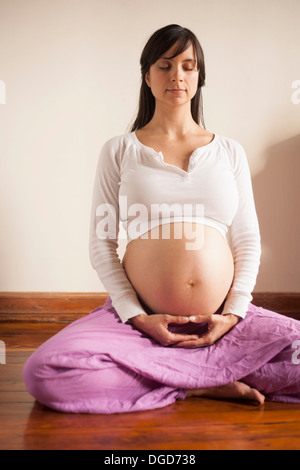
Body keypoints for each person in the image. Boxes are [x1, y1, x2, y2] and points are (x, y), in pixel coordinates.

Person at [23, 25, 300, 413]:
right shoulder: (119, 151)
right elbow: (101, 243)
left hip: (219, 322)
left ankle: (180, 371)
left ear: (199, 76)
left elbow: (247, 241)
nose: (177, 76)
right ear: (147, 75)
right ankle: (198, 383)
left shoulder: (229, 152)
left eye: (188, 66)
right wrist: (136, 316)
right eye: (165, 65)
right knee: (45, 372)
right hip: (142, 323)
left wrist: (233, 313)